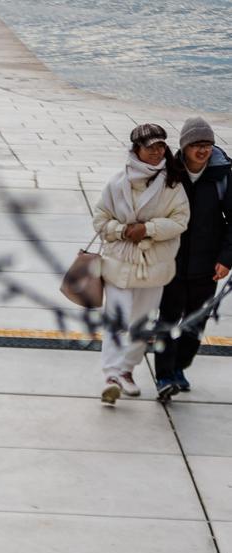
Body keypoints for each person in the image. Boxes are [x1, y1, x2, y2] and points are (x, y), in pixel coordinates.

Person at [92, 123, 191, 404]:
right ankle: (111, 375)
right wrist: (122, 231)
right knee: (117, 320)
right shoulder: (116, 183)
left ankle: (127, 370)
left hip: (153, 265)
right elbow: (100, 219)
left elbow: (180, 221)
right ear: (137, 149)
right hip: (120, 262)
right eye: (151, 147)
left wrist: (147, 229)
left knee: (141, 322)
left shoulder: (173, 185)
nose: (157, 152)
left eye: (161, 146)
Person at [156, 117, 232, 399]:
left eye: (208, 145)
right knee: (167, 319)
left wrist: (226, 258)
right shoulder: (169, 174)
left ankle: (179, 367)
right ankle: (164, 376)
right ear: (185, 147)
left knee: (196, 322)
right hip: (171, 263)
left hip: (207, 265)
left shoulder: (223, 175)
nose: (203, 151)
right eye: (197, 145)